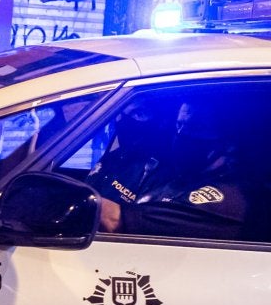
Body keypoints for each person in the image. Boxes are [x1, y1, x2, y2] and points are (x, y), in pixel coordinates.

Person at [97, 98, 249, 241]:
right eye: (179, 125)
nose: (182, 135)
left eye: (196, 128)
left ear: (229, 143)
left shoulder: (225, 200)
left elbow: (116, 220)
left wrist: (84, 199)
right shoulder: (184, 177)